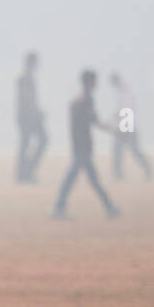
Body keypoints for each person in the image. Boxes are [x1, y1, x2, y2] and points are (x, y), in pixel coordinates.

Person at [52, 69, 119, 219]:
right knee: (77, 179)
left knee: (89, 179)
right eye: (95, 81)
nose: (97, 84)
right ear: (90, 82)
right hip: (82, 147)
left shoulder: (79, 100)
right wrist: (113, 130)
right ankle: (59, 207)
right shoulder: (85, 100)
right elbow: (94, 121)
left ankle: (109, 206)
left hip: (80, 146)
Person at [109, 71, 151, 180]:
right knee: (124, 150)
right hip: (125, 125)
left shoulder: (124, 89)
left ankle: (147, 171)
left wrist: (124, 127)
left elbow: (128, 108)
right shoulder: (119, 90)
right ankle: (118, 174)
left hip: (128, 125)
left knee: (130, 150)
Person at [16, 52, 47, 182]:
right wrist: (37, 113)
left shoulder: (25, 76)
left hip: (27, 115)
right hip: (27, 116)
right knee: (40, 140)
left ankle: (24, 173)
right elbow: (27, 99)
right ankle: (25, 172)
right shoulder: (23, 77)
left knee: (26, 143)